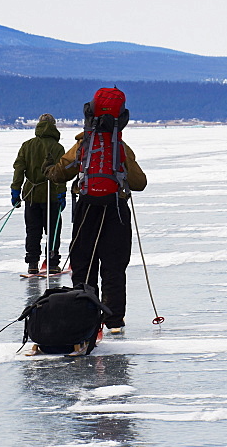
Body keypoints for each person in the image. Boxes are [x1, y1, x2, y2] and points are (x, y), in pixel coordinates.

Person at [46, 89, 146, 333]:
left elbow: (61, 172)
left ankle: (86, 316)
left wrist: (48, 168)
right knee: (114, 267)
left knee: (84, 264)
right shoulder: (121, 147)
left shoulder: (82, 145)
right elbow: (139, 182)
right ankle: (114, 321)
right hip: (116, 210)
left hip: (86, 206)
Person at [11, 113, 67, 274]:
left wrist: (16, 190)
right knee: (53, 231)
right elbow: (61, 172)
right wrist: (62, 192)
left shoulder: (27, 145)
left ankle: (33, 263)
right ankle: (52, 262)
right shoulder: (57, 148)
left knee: (33, 231)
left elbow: (19, 169)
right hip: (52, 195)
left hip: (31, 195)